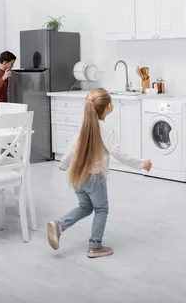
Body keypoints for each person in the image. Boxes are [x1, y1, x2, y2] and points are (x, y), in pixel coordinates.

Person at [46, 88, 153, 258]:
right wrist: (141, 164)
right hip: (95, 177)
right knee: (101, 209)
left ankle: (59, 225)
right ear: (109, 106)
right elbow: (117, 152)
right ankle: (95, 246)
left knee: (85, 207)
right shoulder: (104, 128)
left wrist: (64, 163)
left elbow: (72, 147)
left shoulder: (85, 125)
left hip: (78, 176)